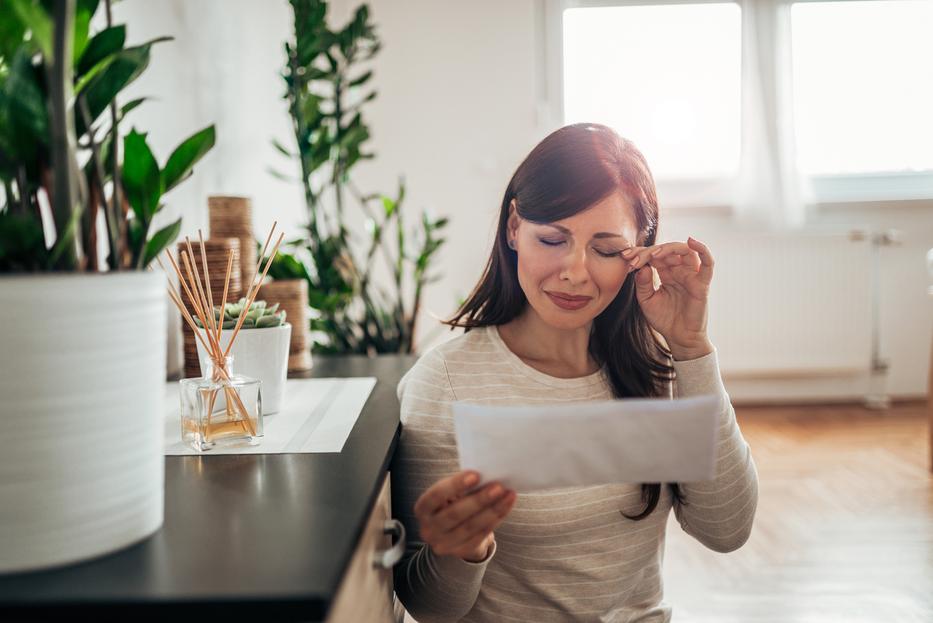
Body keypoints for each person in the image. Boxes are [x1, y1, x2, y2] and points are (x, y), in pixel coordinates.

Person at [391, 123, 758, 622]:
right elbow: (431, 607)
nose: (575, 271)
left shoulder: (653, 369)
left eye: (606, 249)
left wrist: (691, 348)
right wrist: (463, 549)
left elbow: (726, 531)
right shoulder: (446, 381)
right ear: (514, 227)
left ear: (639, 250)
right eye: (552, 239)